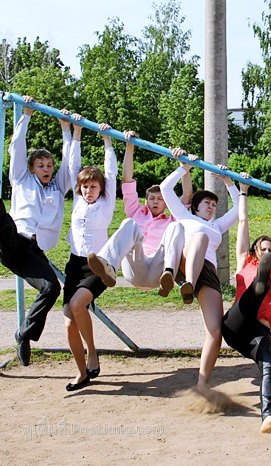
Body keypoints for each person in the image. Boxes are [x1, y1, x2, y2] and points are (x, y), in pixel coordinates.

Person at [1, 96, 77, 367]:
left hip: (33, 249)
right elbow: (17, 148)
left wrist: (66, 129)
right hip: (12, 238)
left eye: (49, 165)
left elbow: (70, 166)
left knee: (51, 288)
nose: (46, 169)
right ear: (32, 168)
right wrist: (27, 115)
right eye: (41, 165)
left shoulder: (57, 188)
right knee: (4, 220)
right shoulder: (21, 179)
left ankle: (24, 334)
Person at [160, 152, 240, 394]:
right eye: (207, 203)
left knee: (216, 331)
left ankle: (202, 384)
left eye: (214, 205)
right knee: (201, 238)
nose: (212, 207)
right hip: (185, 263)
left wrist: (228, 182)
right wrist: (183, 168)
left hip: (208, 273)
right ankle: (187, 283)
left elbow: (239, 210)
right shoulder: (184, 216)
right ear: (195, 205)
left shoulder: (217, 225)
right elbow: (165, 189)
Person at [221, 174, 271, 434]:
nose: (268, 252)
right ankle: (258, 286)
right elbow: (243, 221)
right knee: (253, 294)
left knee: (269, 354)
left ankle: (268, 416)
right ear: (254, 253)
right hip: (236, 324)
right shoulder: (243, 261)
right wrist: (243, 191)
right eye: (264, 250)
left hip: (258, 333)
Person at [87, 137, 192, 297]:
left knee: (177, 227)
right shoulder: (136, 212)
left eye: (160, 199)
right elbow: (127, 180)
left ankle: (170, 275)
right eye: (152, 198)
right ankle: (109, 266)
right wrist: (130, 146)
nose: (155, 201)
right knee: (129, 223)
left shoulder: (172, 219)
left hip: (159, 269)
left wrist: (184, 167)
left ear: (167, 203)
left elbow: (187, 195)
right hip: (135, 268)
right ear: (145, 201)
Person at [63, 123, 117, 391]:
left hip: (97, 266)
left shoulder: (106, 203)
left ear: (101, 188)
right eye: (84, 187)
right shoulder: (77, 201)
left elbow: (111, 172)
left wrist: (107, 140)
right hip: (75, 264)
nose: (88, 190)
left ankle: (92, 353)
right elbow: (73, 166)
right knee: (69, 323)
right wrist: (76, 132)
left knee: (77, 305)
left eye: (93, 186)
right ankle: (81, 373)